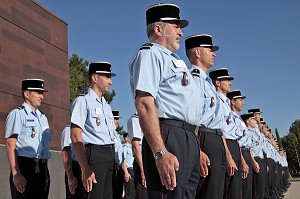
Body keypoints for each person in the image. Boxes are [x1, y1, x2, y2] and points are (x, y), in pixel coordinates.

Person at [129, 3, 202, 199]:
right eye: (176, 25)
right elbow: (144, 103)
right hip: (169, 134)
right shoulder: (150, 54)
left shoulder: (174, 60)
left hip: (187, 136)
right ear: (158, 28)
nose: (181, 31)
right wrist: (160, 152)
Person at [185, 34, 227, 199]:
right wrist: (198, 149)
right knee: (206, 191)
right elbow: (192, 116)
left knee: (217, 190)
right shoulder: (194, 79)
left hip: (215, 137)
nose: (214, 53)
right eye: (209, 50)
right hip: (204, 137)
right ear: (197, 53)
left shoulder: (207, 82)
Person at [71, 61, 117, 199]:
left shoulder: (107, 107)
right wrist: (84, 167)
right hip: (94, 155)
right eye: (107, 77)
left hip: (109, 155)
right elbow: (75, 136)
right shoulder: (83, 101)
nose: (110, 82)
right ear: (95, 78)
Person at [5, 78, 51, 199]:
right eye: (38, 93)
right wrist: (16, 173)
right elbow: (10, 144)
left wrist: (45, 172)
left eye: (42, 93)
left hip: (42, 169)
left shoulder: (43, 118)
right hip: (25, 168)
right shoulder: (18, 114)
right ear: (26, 94)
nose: (42, 97)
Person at [208, 68, 240, 199]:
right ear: (218, 83)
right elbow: (221, 130)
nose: (230, 83)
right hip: (223, 143)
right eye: (226, 80)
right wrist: (228, 155)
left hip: (231, 144)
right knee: (221, 189)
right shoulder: (216, 101)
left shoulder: (226, 103)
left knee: (233, 189)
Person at [226, 89, 249, 199]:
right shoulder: (227, 114)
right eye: (240, 100)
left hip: (236, 147)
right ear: (233, 102)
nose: (243, 103)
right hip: (228, 146)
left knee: (237, 187)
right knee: (230, 187)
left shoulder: (238, 119)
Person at [61, 124, 86, 199]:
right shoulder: (69, 129)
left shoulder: (86, 130)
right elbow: (66, 154)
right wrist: (70, 176)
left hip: (85, 167)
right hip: (74, 168)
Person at [127, 112, 148, 199]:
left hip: (151, 160)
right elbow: (135, 146)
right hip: (142, 161)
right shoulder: (135, 119)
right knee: (143, 195)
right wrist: (143, 170)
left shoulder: (149, 118)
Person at [248, 108, 266, 199]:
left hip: (260, 159)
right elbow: (249, 147)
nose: (260, 116)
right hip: (255, 159)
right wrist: (253, 161)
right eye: (258, 114)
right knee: (256, 189)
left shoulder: (256, 129)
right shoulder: (250, 128)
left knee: (261, 187)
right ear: (254, 116)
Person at [112, 110, 125, 199]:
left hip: (119, 168)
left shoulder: (117, 135)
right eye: (115, 119)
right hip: (112, 167)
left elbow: (121, 155)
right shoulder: (109, 134)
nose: (117, 121)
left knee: (118, 194)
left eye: (118, 119)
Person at [122, 133, 136, 199]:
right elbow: (123, 160)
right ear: (126, 138)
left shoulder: (132, 147)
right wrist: (126, 172)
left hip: (134, 170)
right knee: (129, 193)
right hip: (128, 170)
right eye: (129, 137)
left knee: (133, 192)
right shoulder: (125, 147)